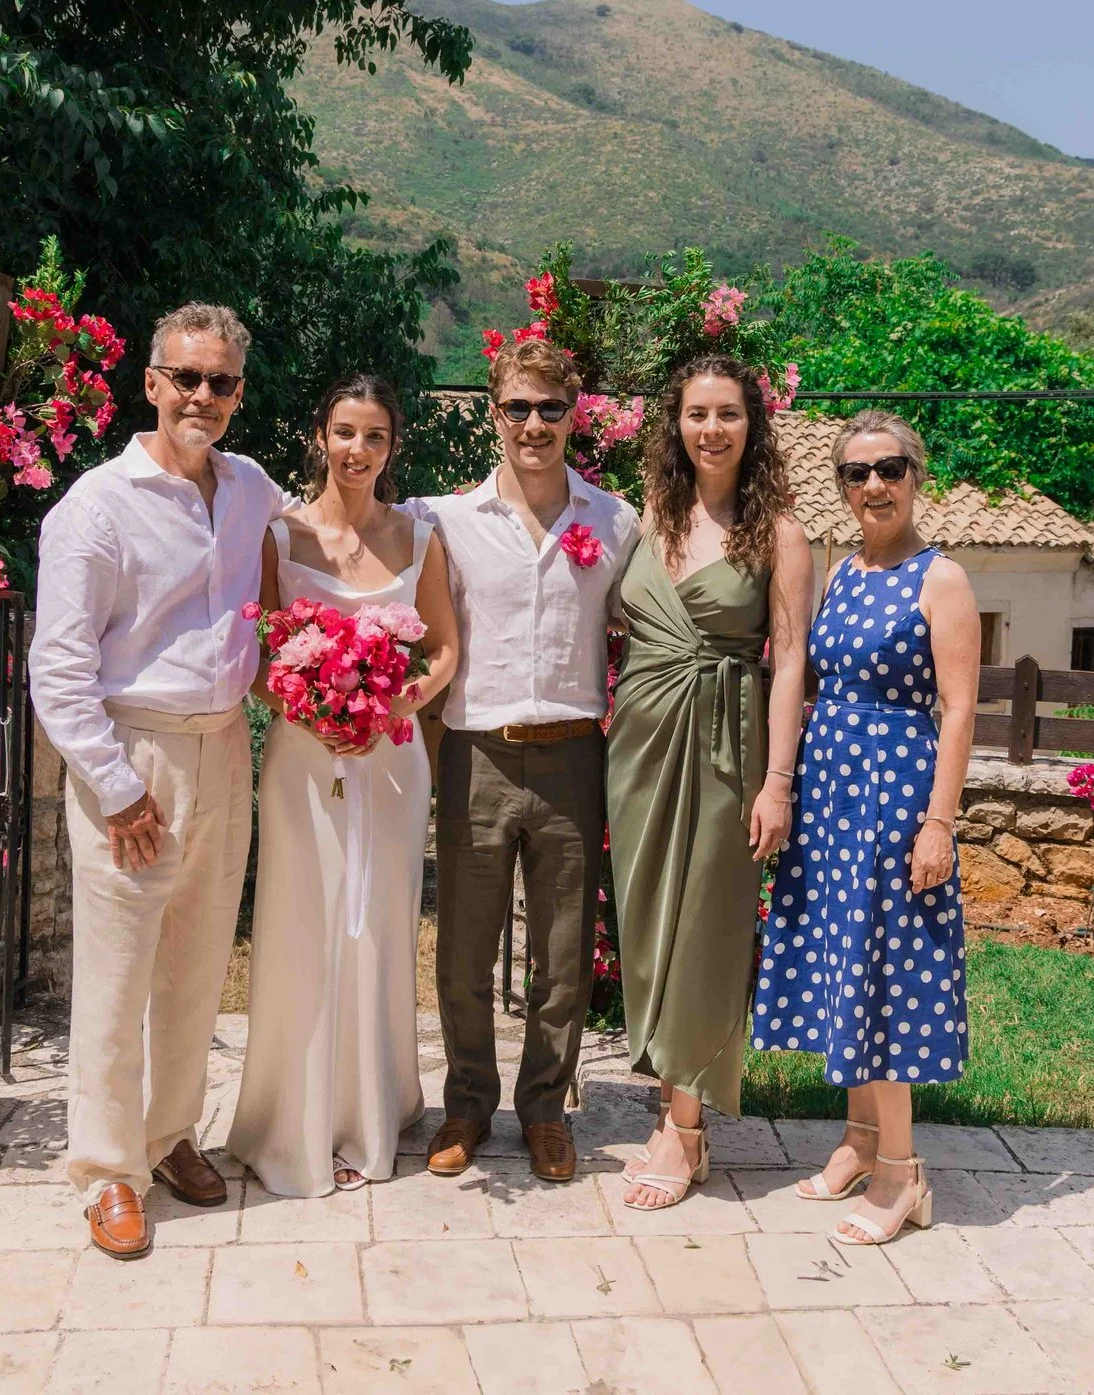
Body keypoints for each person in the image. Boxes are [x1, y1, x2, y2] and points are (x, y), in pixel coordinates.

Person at [31, 302, 285, 1261]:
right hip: (131, 756)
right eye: (186, 377)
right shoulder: (95, 506)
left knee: (197, 959)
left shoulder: (251, 487)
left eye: (221, 382)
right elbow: (58, 668)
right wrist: (114, 786)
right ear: (151, 382)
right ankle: (106, 1172)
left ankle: (169, 1132)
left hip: (226, 747)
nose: (203, 396)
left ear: (239, 394)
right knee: (116, 971)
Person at [408, 337, 640, 1184]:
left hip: (575, 754)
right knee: (466, 950)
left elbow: (642, 629)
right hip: (478, 754)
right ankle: (468, 1101)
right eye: (517, 407)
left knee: (564, 952)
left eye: (550, 408)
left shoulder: (615, 521)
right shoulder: (447, 519)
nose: (533, 425)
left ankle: (545, 1106)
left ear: (575, 415)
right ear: (493, 412)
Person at [752, 409, 980, 1247]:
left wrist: (938, 823)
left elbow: (959, 711)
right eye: (857, 472)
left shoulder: (940, 578)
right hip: (834, 791)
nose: (874, 485)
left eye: (889, 468)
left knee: (886, 971)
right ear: (842, 486)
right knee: (846, 960)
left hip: (895, 794)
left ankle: (903, 1174)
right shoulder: (844, 570)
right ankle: (857, 1139)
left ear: (917, 476)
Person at [229, 376, 460, 1197]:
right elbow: (258, 656)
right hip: (303, 760)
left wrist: (395, 706)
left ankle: (374, 1106)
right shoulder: (280, 534)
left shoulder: (419, 537)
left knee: (381, 926)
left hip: (392, 762)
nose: (356, 450)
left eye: (374, 436)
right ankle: (292, 1116)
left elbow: (443, 654)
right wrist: (307, 707)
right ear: (319, 437)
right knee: (302, 922)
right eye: (343, 432)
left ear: (392, 448)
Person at [605, 354, 812, 1210]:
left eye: (728, 413)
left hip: (728, 743)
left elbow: (792, 656)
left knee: (706, 926)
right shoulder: (647, 515)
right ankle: (669, 1104)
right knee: (649, 928)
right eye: (697, 413)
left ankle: (686, 1128)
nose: (712, 429)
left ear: (752, 426)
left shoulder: (783, 534)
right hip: (641, 745)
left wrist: (779, 781)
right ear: (676, 425)